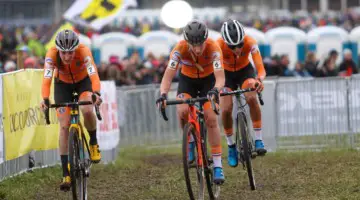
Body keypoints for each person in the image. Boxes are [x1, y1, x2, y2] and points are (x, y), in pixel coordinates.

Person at [156, 20, 226, 184]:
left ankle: (217, 165)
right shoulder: (179, 49)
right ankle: (190, 142)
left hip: (209, 82)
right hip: (187, 82)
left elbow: (221, 77)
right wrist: (163, 94)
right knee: (182, 111)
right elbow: (168, 76)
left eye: (200, 44)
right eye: (193, 45)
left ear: (205, 40)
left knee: (211, 118)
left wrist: (216, 90)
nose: (197, 49)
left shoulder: (214, 48)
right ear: (187, 41)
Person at [40, 29, 102, 191]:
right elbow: (46, 79)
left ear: (76, 48)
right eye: (64, 53)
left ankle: (93, 142)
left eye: (71, 53)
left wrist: (96, 93)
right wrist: (45, 98)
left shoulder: (84, 51)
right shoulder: (51, 54)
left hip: (83, 82)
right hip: (62, 85)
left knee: (87, 108)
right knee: (64, 125)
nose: (67, 57)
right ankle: (65, 172)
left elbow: (93, 73)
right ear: (58, 50)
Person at [217, 19, 267, 168]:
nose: (237, 49)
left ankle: (258, 138)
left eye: (240, 44)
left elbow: (260, 68)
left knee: (251, 98)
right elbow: (215, 70)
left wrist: (259, 80)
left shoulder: (251, 42)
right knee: (225, 109)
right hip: (226, 76)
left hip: (245, 72)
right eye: (233, 46)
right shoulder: (218, 45)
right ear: (226, 43)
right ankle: (231, 146)